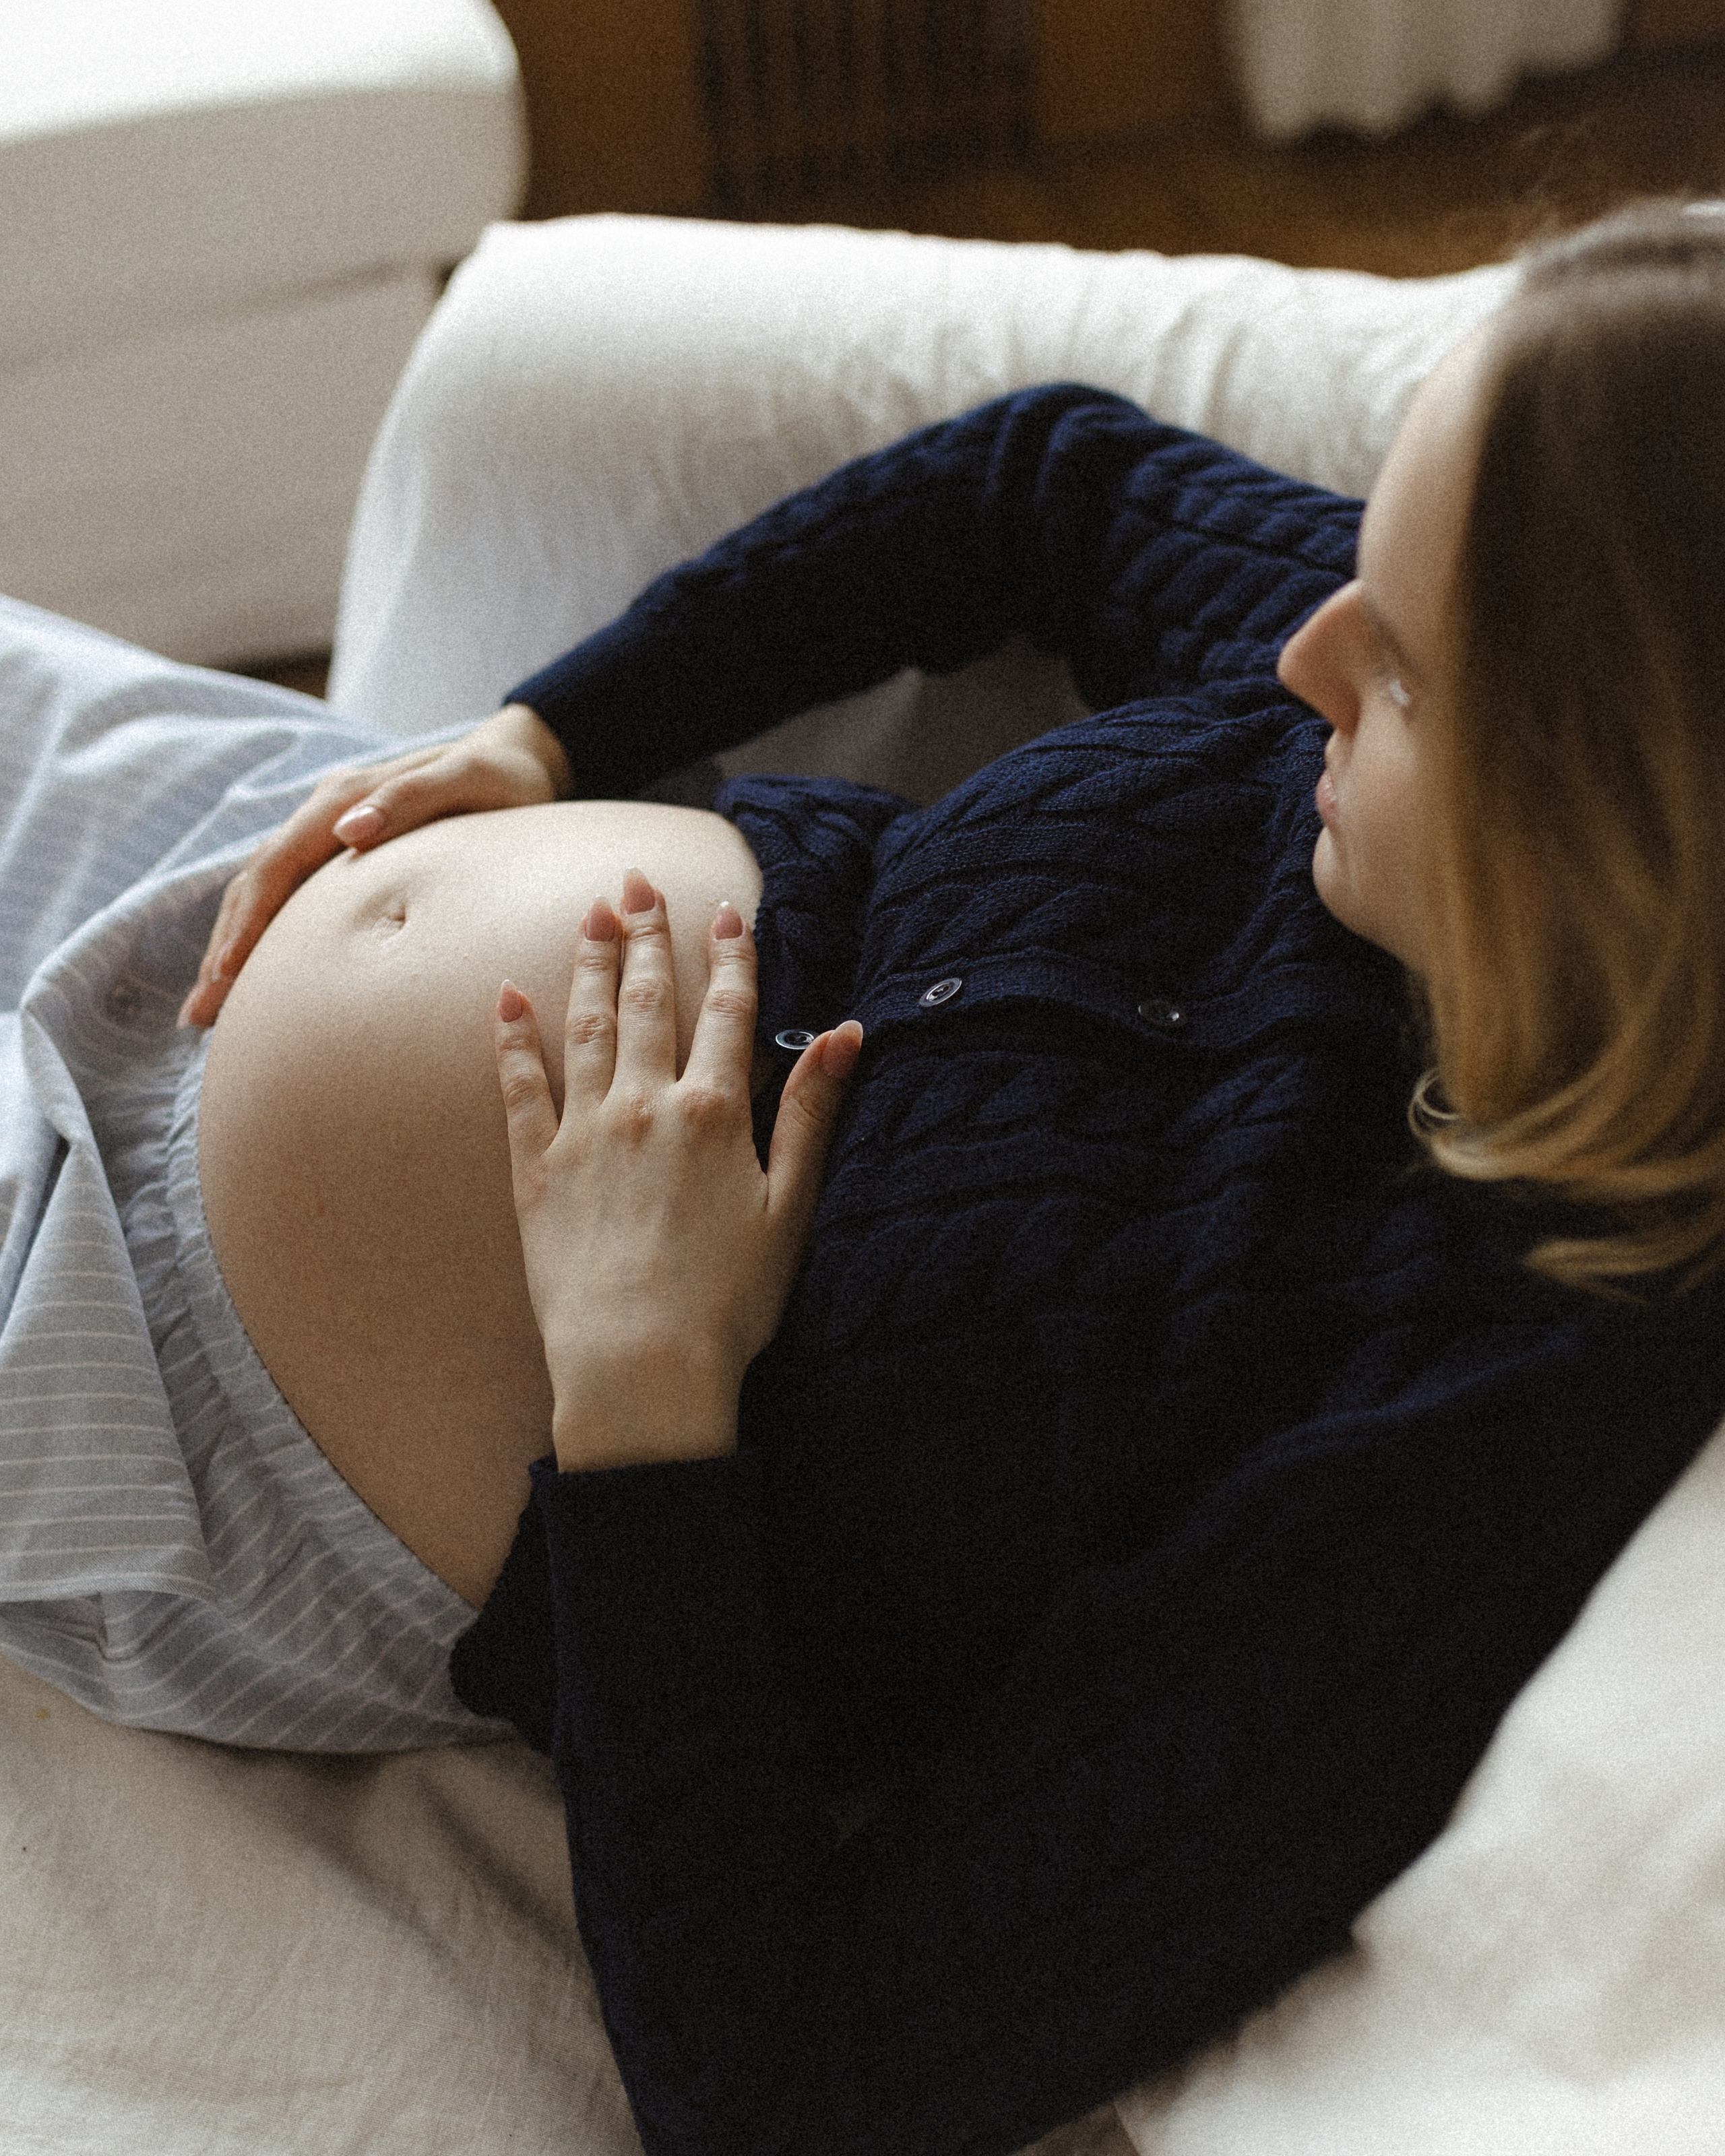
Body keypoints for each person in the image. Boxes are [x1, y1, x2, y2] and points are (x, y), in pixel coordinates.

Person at [9, 200, 1725, 2151]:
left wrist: (644, 1392)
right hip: (242, 834)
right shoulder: (1409, 685)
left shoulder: (1450, 1448)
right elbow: (1045, 482)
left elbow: (794, 2080)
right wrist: (552, 721)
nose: (1309, 648)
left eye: (1401, 669)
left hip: (165, 1374)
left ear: (1629, 856)